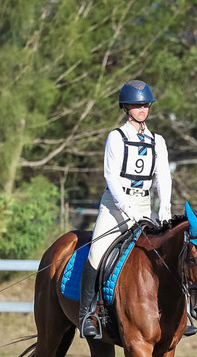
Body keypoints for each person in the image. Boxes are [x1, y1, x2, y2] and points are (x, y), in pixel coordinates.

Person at [79, 80, 173, 339]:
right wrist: (125, 208)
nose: (142, 109)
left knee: (167, 254)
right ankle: (87, 313)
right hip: (115, 207)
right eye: (136, 105)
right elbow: (111, 176)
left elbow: (163, 177)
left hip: (145, 205)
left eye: (145, 105)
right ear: (126, 107)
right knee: (97, 253)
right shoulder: (116, 137)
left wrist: (164, 207)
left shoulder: (158, 141)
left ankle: (175, 315)